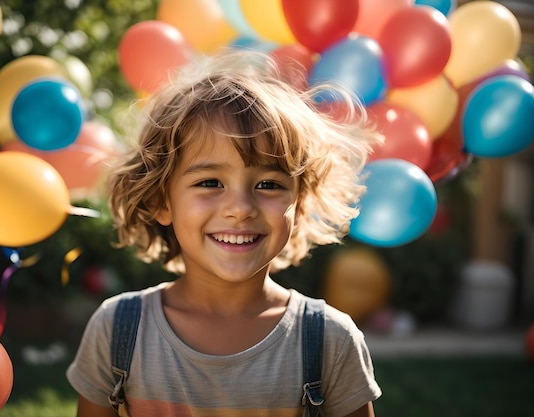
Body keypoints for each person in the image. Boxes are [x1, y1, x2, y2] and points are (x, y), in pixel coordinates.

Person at [67, 49, 382, 417]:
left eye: (267, 184)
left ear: (299, 200)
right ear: (161, 201)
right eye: (210, 182)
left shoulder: (329, 340)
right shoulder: (118, 331)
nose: (241, 207)